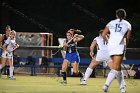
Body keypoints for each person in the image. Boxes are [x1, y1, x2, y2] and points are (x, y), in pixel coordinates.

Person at [102, 9, 131, 93]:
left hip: (111, 46)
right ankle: (106, 85)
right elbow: (127, 38)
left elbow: (103, 34)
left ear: (116, 15)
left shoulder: (111, 22)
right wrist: (124, 45)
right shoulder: (128, 24)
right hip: (119, 45)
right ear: (124, 16)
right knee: (115, 67)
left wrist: (108, 42)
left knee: (118, 67)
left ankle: (122, 87)